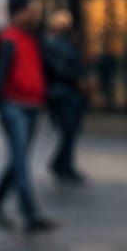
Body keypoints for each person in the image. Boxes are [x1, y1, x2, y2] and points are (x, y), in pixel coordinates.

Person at [0, 0, 55, 231]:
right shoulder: (8, 38)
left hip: (32, 105)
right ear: (21, 11)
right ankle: (30, 214)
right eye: (33, 10)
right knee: (20, 160)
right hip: (13, 105)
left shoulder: (33, 38)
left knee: (19, 159)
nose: (37, 15)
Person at [42, 10, 88, 184]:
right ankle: (60, 165)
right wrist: (76, 79)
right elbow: (58, 68)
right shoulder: (51, 43)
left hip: (70, 93)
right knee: (68, 131)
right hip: (61, 93)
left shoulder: (68, 42)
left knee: (71, 131)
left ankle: (63, 165)